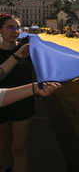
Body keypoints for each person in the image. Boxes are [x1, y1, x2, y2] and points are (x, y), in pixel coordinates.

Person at [0, 16, 44, 172]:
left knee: (19, 148)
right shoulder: (19, 52)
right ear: (0, 30)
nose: (15, 31)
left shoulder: (28, 50)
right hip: (2, 104)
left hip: (23, 104)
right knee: (3, 147)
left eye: (18, 28)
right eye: (10, 27)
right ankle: (7, 169)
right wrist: (17, 55)